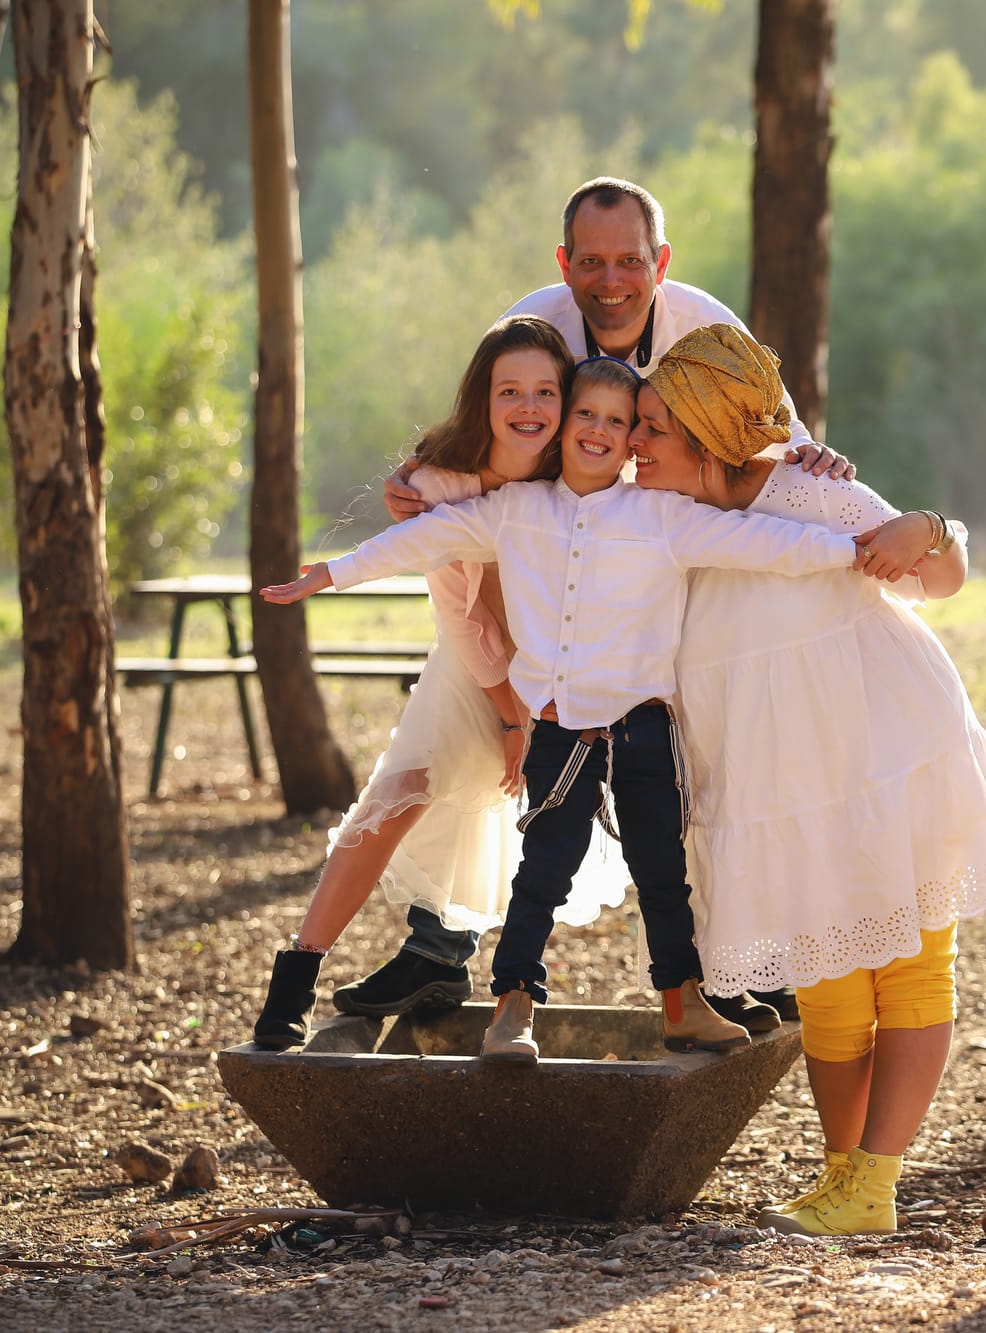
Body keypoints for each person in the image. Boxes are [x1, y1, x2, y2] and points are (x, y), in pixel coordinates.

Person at [260, 356, 876, 1066]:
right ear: (562, 425)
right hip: (562, 729)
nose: (599, 429)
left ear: (632, 438)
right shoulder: (516, 512)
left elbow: (768, 545)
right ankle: (512, 1008)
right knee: (543, 872)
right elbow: (423, 538)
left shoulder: (664, 516)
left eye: (618, 421)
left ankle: (684, 1005)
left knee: (663, 874)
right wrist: (334, 572)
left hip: (644, 729)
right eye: (586, 412)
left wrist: (856, 550)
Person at [358, 175, 847, 1025]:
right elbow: (478, 460)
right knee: (456, 725)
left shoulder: (708, 332)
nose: (611, 280)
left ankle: (744, 961)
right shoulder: (532, 328)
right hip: (542, 570)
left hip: (670, 571)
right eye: (592, 261)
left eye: (630, 261)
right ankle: (437, 946)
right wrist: (426, 483)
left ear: (661, 262)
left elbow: (779, 446)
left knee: (708, 757)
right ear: (565, 263)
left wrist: (820, 466)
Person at [633, 324, 986, 1235]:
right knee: (826, 981)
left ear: (706, 436)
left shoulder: (812, 492)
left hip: (888, 759)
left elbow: (940, 578)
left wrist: (928, 527)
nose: (634, 442)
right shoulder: (656, 515)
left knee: (912, 970)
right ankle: (845, 1176)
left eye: (653, 427)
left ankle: (877, 1180)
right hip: (777, 788)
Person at [249, 316, 623, 1049]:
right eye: (509, 391)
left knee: (495, 809)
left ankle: (438, 956)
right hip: (470, 665)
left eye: (546, 391)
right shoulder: (439, 487)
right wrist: (509, 716)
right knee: (402, 793)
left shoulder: (578, 471)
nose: (528, 407)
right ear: (483, 398)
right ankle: (296, 974)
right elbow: (462, 615)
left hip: (557, 667)